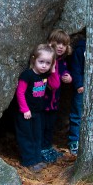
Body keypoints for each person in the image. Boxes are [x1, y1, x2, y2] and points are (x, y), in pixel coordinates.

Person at [14, 44, 60, 172]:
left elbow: (55, 85)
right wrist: (25, 109)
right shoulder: (27, 75)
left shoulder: (45, 75)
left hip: (38, 112)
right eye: (41, 62)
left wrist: (53, 70)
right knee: (27, 136)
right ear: (34, 59)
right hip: (25, 113)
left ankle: (36, 158)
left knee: (37, 135)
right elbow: (20, 92)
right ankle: (29, 160)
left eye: (48, 63)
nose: (44, 65)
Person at [41, 29, 72, 163]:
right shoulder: (46, 61)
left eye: (64, 44)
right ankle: (41, 149)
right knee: (41, 126)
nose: (60, 47)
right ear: (50, 43)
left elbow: (64, 72)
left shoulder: (62, 62)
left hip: (54, 103)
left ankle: (47, 147)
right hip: (42, 102)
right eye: (58, 43)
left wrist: (68, 77)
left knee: (50, 126)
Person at [67, 34, 85, 156]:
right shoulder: (80, 49)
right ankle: (74, 140)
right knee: (77, 114)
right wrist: (78, 84)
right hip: (81, 88)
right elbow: (75, 68)